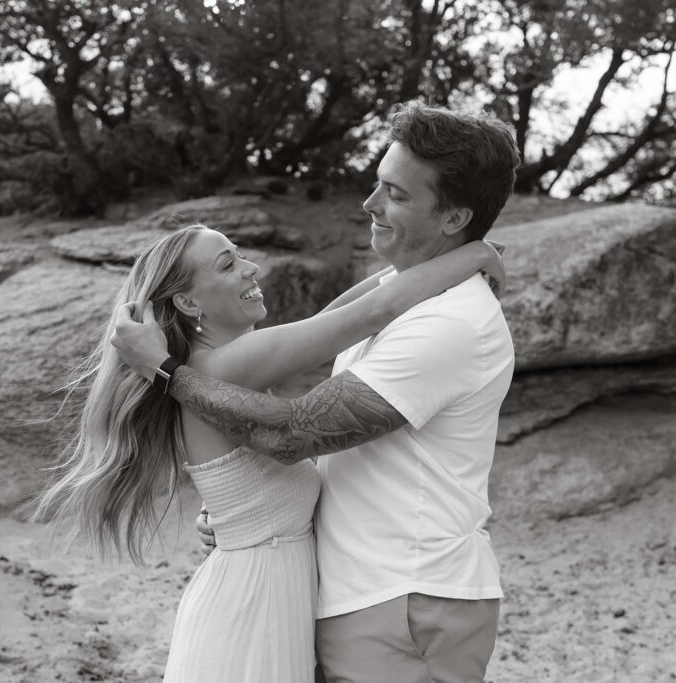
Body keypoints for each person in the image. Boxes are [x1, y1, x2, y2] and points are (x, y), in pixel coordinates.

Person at [110, 100, 520, 683]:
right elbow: (339, 322)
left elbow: (292, 432)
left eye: (396, 195)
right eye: (377, 184)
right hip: (351, 598)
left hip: (406, 598)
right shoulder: (411, 299)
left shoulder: (448, 321)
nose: (369, 204)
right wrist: (243, 509)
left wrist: (166, 371)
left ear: (453, 217)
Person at [33, 217, 506, 679]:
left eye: (240, 253)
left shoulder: (220, 368)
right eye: (226, 264)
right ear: (188, 302)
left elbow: (331, 318)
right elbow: (368, 315)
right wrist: (474, 255)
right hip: (251, 604)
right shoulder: (224, 368)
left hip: (266, 592)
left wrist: (433, 263)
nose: (251, 267)